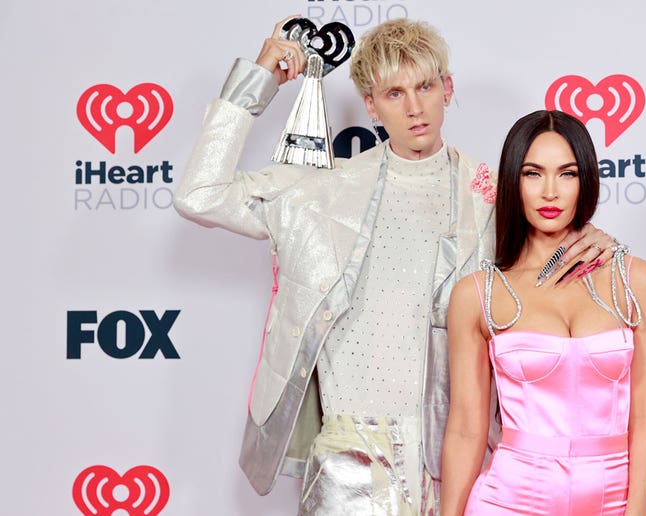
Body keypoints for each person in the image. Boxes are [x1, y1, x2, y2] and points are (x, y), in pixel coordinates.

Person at [175, 17, 618, 516]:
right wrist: (258, 81)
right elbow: (199, 195)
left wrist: (593, 239)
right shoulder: (320, 192)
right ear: (370, 103)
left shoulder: (495, 198)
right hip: (347, 461)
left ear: (447, 89)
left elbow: (554, 269)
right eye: (393, 93)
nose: (414, 108)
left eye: (425, 86)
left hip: (460, 462)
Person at [441, 110, 646, 516]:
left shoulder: (636, 281)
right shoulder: (477, 295)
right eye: (533, 173)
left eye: (567, 173)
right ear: (513, 181)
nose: (550, 192)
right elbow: (465, 429)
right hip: (506, 502)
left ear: (586, 181)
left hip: (612, 503)